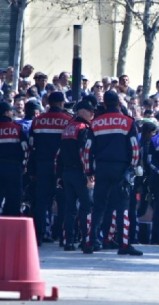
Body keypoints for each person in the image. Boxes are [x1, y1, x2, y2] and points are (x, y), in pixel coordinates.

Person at [83, 90, 142, 256]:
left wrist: (89, 171)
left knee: (98, 207)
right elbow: (135, 148)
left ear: (104, 104)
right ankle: (124, 245)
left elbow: (87, 150)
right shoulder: (128, 122)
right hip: (121, 169)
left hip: (101, 168)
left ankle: (89, 242)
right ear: (118, 103)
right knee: (122, 207)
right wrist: (131, 168)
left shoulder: (95, 123)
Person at [28, 91, 72, 245]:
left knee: (41, 202)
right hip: (62, 167)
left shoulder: (37, 121)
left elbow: (31, 147)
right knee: (64, 202)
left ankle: (38, 237)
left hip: (42, 166)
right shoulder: (68, 121)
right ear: (61, 103)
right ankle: (60, 236)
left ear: (49, 102)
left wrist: (32, 170)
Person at [55, 96, 95, 251]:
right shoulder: (83, 128)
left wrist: (59, 175)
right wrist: (88, 174)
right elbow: (84, 153)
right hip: (80, 173)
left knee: (69, 208)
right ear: (82, 111)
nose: (92, 114)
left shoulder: (68, 128)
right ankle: (86, 241)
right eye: (90, 111)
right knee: (86, 207)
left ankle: (68, 241)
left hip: (67, 173)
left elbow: (59, 154)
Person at [0, 102, 28, 216]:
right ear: (7, 112)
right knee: (14, 199)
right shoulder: (17, 128)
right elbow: (25, 150)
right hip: (14, 168)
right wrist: (23, 166)